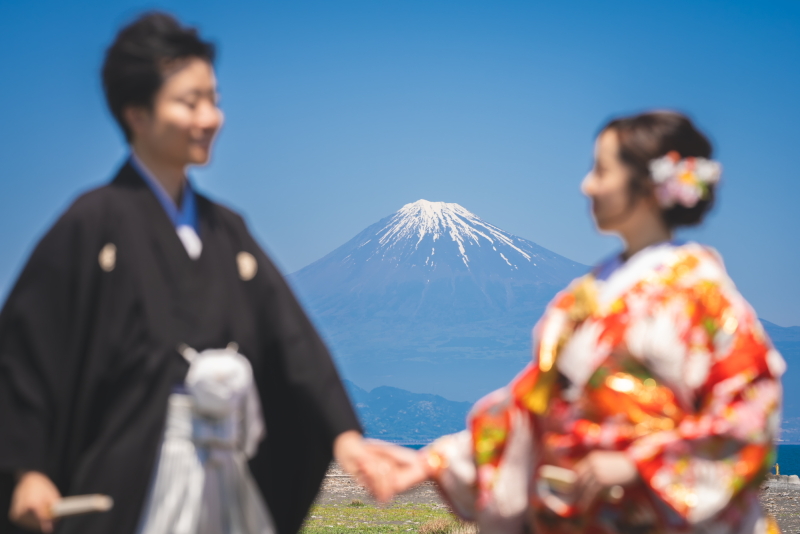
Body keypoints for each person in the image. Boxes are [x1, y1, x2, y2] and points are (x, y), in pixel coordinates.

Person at [0, 12, 374, 534]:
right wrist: (27, 469)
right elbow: (26, 355)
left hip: (226, 474)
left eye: (214, 100)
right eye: (189, 101)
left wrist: (344, 437)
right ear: (137, 113)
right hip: (134, 477)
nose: (210, 117)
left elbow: (292, 342)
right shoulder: (91, 224)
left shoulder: (229, 232)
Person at [365, 111, 785, 534]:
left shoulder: (700, 291)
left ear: (648, 186)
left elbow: (749, 411)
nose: (587, 185)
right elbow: (532, 406)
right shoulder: (587, 294)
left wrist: (637, 464)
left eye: (602, 171)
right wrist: (431, 461)